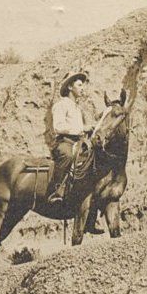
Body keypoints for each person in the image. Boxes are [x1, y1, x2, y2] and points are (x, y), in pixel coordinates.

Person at [47, 71, 92, 204]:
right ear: (70, 87)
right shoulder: (61, 105)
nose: (82, 88)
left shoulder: (78, 108)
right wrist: (81, 129)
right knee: (68, 155)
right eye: (79, 85)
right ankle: (57, 190)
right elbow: (58, 127)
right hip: (64, 142)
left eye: (83, 85)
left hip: (77, 143)